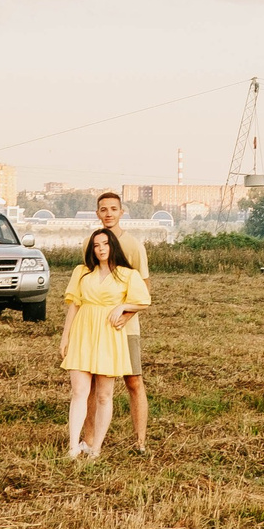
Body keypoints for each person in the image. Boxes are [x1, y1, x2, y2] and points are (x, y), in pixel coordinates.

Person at [60, 226, 149, 460]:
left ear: (113, 246)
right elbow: (74, 305)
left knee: (103, 395)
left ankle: (96, 448)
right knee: (79, 391)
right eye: (96, 245)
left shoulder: (127, 274)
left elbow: (144, 301)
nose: (101, 249)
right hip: (83, 332)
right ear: (92, 248)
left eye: (105, 244)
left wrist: (122, 307)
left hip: (109, 335)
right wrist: (65, 337)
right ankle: (73, 446)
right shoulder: (81, 272)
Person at [94, 189, 154, 450]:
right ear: (98, 213)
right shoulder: (93, 243)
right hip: (98, 326)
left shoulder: (133, 246)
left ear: (122, 211)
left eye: (113, 209)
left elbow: (145, 290)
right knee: (96, 384)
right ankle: (90, 441)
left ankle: (140, 442)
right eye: (103, 209)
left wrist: (126, 314)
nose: (108, 214)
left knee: (133, 381)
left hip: (126, 328)